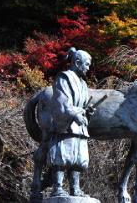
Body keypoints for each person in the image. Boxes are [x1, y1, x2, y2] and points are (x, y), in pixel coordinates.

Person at [48, 47, 92, 197]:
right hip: (66, 123)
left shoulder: (83, 84)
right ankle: (57, 188)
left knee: (78, 159)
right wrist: (74, 114)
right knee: (62, 156)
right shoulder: (64, 78)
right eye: (86, 65)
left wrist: (87, 111)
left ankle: (75, 188)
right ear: (77, 62)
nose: (88, 68)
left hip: (79, 126)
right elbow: (62, 102)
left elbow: (82, 106)